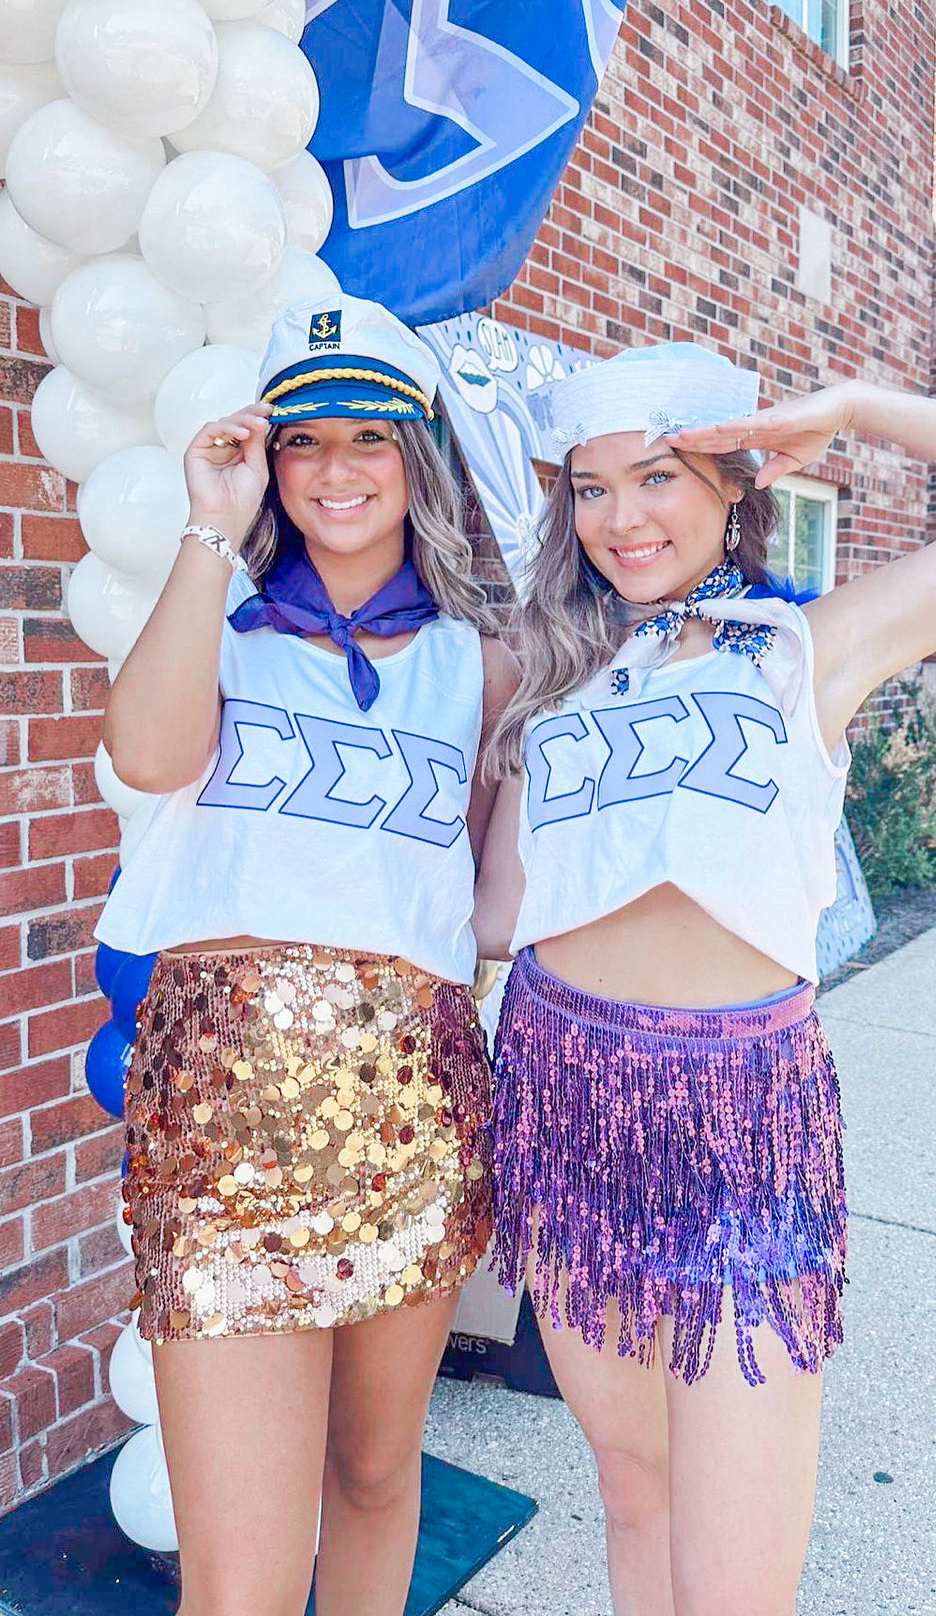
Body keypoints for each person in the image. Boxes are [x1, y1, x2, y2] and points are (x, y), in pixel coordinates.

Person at [473, 341, 936, 1616]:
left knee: (733, 1578)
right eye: (590, 488)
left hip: (739, 1115)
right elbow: (499, 915)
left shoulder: (805, 647)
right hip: (562, 1089)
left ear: (734, 486)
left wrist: (857, 407)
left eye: (657, 476)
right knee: (634, 1493)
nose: (619, 517)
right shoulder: (552, 674)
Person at [97, 294, 517, 1616]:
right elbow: (146, 756)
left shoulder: (482, 661)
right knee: (240, 1582)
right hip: (223, 1107)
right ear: (270, 460)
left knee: (375, 1474)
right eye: (304, 439)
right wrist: (208, 529)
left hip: (412, 1101)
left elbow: (477, 908)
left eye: (369, 436)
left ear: (417, 456)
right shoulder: (216, 620)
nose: (337, 468)